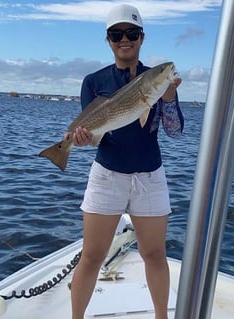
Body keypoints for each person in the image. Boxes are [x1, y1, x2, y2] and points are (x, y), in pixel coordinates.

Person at [67, 4, 184, 319]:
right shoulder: (94, 81)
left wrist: (169, 96)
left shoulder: (156, 81)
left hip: (149, 177)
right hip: (107, 175)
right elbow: (94, 134)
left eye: (131, 33)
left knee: (154, 254)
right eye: (117, 34)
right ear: (108, 40)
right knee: (91, 257)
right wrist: (80, 138)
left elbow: (174, 132)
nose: (124, 39)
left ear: (141, 37)